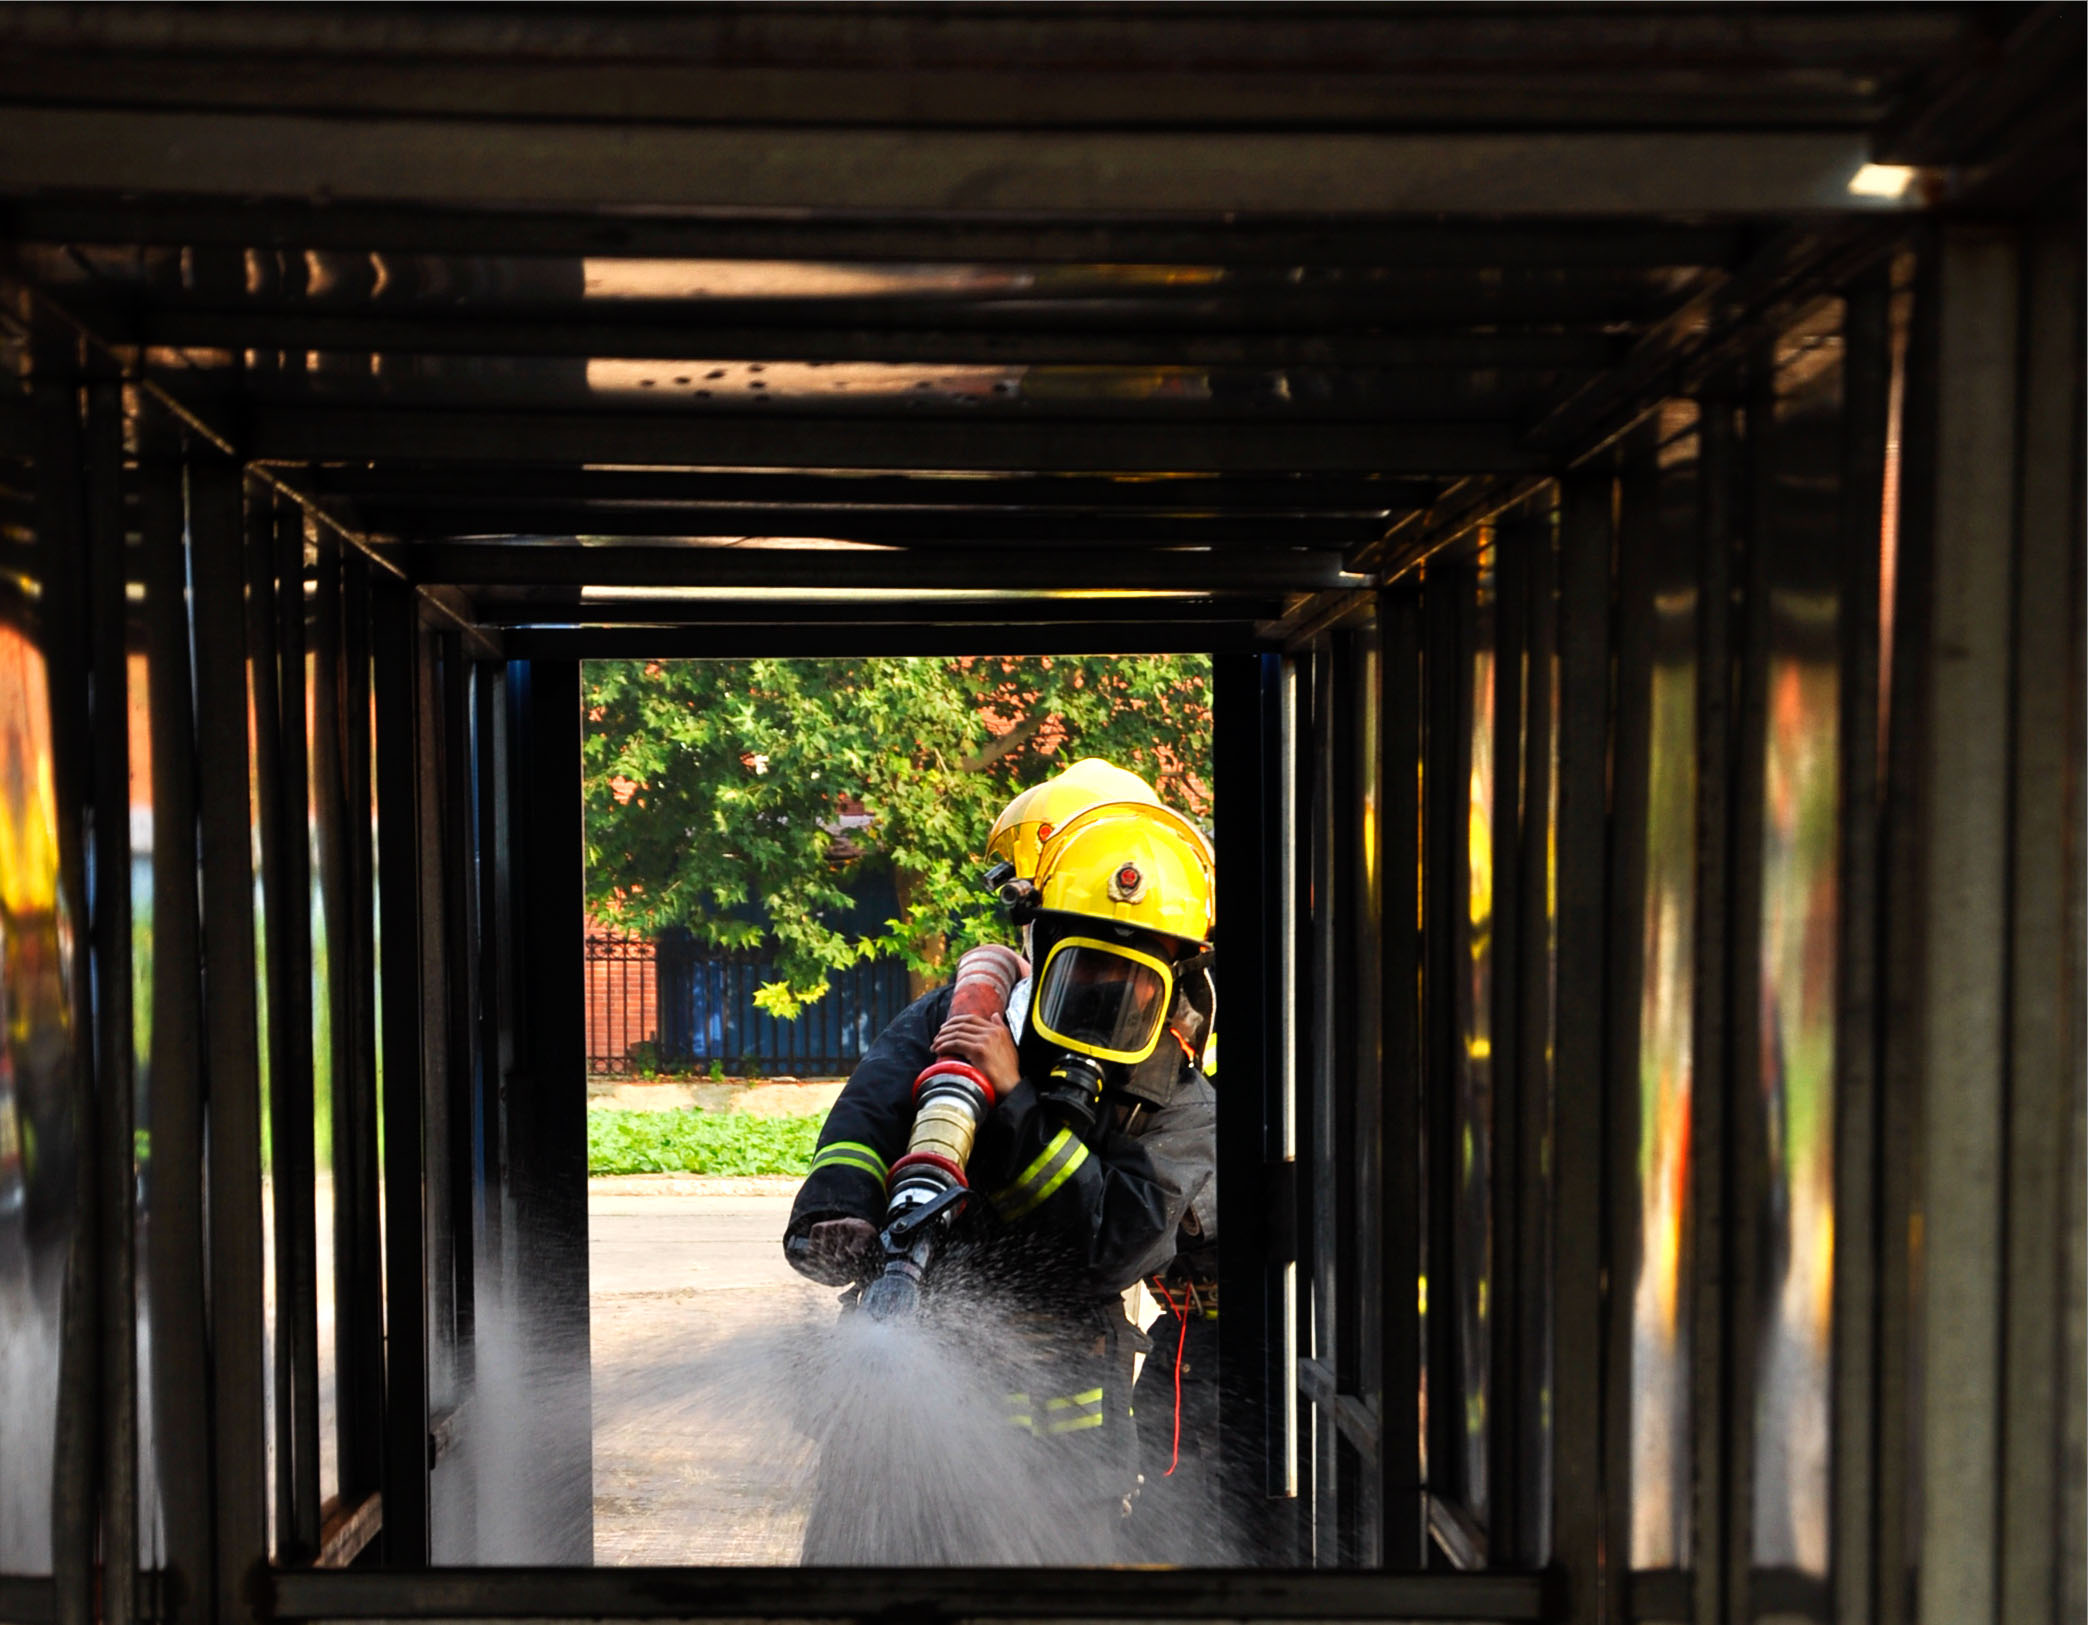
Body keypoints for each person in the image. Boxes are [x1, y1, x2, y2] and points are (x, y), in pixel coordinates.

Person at [782, 767, 1216, 1561]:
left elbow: (1111, 1247)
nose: (1105, 990)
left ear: (1177, 968)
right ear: (1040, 937)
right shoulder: (957, 1018)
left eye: (1134, 969)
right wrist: (834, 1210)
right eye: (1085, 963)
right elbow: (867, 1116)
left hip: (1059, 1472)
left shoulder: (1178, 1103)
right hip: (893, 1440)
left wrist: (1015, 1100)